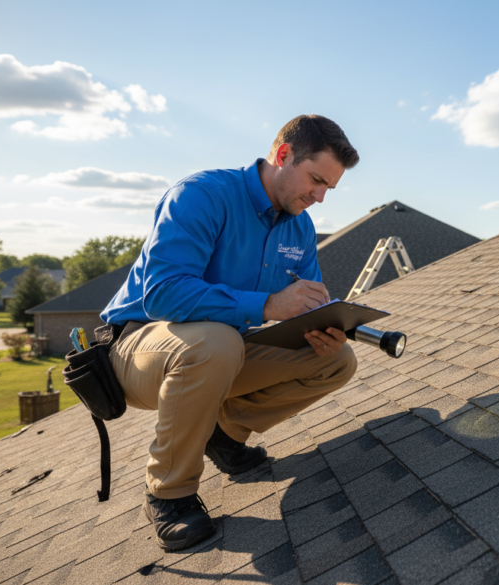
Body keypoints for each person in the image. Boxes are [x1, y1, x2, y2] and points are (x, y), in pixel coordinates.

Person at [100, 115, 360, 551]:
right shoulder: (202, 195)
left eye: (327, 189)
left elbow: (305, 305)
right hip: (137, 350)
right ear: (282, 156)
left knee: (335, 360)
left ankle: (223, 435)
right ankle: (168, 494)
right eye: (315, 180)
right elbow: (162, 292)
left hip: (219, 352)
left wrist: (322, 327)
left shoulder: (299, 226)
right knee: (216, 343)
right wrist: (269, 305)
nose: (319, 198)